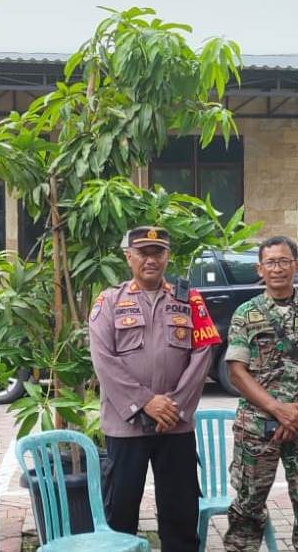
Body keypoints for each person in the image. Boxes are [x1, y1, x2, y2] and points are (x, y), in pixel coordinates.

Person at [88, 226, 221, 552]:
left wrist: (172, 406)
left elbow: (203, 354)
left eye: (157, 252)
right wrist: (147, 402)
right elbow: (103, 360)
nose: (150, 259)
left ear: (167, 256)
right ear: (128, 256)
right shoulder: (109, 301)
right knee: (120, 514)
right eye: (143, 252)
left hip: (175, 426)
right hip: (125, 426)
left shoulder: (190, 299)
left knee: (180, 515)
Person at [223, 236, 298, 552]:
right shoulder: (245, 314)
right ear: (260, 269)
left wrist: (297, 410)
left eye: (284, 261)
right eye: (270, 262)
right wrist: (277, 409)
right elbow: (237, 371)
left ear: (297, 265)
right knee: (248, 503)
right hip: (256, 425)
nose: (277, 269)